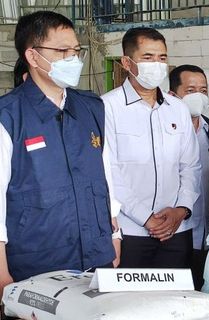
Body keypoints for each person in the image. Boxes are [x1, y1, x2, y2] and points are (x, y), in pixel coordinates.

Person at [0, 11, 120, 290]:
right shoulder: (9, 116)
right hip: (36, 265)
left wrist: (115, 238)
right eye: (62, 50)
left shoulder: (91, 107)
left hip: (96, 257)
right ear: (32, 56)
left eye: (76, 51)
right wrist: (2, 275)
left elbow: (105, 175)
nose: (73, 59)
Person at [102, 27, 201, 268]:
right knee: (130, 304)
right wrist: (146, 218)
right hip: (131, 232)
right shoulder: (107, 107)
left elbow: (190, 165)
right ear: (127, 62)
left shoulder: (177, 108)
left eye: (162, 58)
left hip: (176, 231)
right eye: (148, 57)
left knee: (178, 302)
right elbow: (109, 172)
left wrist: (181, 210)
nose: (157, 64)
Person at [169, 64, 209, 289]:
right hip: (177, 235)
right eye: (190, 90)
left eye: (203, 90)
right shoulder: (164, 135)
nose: (198, 96)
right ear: (172, 95)